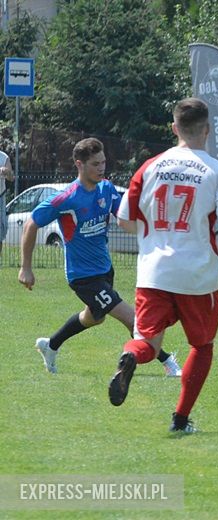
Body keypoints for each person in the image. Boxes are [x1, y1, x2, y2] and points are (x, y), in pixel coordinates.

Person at [109, 98, 218, 434]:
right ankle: (180, 419)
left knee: (146, 342)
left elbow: (124, 220)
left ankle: (129, 357)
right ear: (207, 130)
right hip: (197, 276)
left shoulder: (149, 166)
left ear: (174, 128)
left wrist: (153, 236)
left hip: (153, 272)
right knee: (201, 345)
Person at [18, 138, 181, 377]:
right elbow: (32, 223)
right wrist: (26, 267)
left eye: (103, 162)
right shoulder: (67, 197)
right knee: (131, 317)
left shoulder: (106, 189)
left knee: (94, 318)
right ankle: (168, 363)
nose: (102, 167)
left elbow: (125, 214)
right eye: (95, 164)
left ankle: (50, 345)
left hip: (105, 269)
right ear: (79, 164)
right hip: (82, 276)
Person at [0, 149, 15, 257]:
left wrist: (7, 172)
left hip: (0, 196)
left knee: (0, 230)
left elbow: (11, 178)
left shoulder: (4, 157)